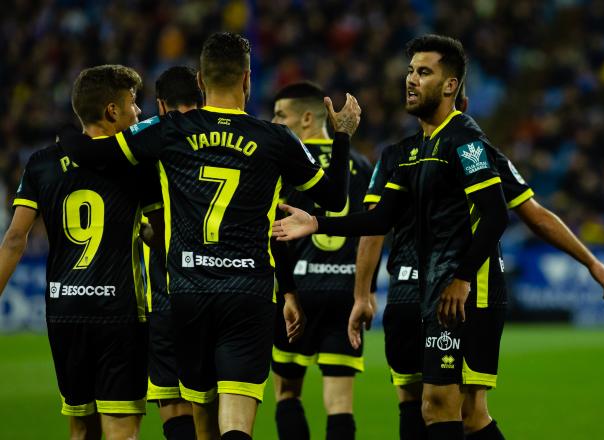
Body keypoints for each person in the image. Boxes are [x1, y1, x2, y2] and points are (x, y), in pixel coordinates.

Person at [58, 32, 361, 440]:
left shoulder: (169, 130)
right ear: (248, 80)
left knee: (202, 421)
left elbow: (92, 153)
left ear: (200, 81)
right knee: (236, 419)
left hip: (188, 293)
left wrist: (64, 133)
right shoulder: (275, 139)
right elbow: (335, 195)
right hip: (248, 293)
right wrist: (341, 134)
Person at [274, 34, 521, 440]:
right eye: (410, 71)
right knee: (441, 408)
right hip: (433, 289)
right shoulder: (414, 150)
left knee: (451, 407)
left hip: (467, 291)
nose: (410, 80)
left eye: (423, 72)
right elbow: (381, 218)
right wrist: (317, 223)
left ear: (450, 85)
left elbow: (495, 217)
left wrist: (461, 278)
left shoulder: (465, 141)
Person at [350, 86, 604, 439]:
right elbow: (534, 216)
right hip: (442, 290)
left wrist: (363, 294)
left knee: (420, 404)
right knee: (463, 412)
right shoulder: (472, 153)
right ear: (464, 104)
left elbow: (373, 232)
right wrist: (591, 262)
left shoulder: (397, 155)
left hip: (410, 289)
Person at [0, 65, 162, 440]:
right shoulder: (138, 165)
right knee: (121, 430)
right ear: (111, 111)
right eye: (133, 104)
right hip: (120, 312)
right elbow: (161, 237)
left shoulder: (41, 163)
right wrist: (149, 233)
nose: (139, 113)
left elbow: (14, 239)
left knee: (80, 430)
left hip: (64, 312)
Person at [270, 81, 373, 440]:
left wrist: (286, 291)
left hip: (297, 288)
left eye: (281, 115)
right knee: (340, 402)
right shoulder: (359, 164)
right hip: (346, 291)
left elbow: (275, 229)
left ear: (308, 118)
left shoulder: (286, 162)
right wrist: (365, 291)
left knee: (286, 393)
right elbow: (371, 230)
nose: (274, 121)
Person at [144, 65, 203, 440]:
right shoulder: (228, 134)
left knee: (173, 401)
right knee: (214, 406)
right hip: (218, 290)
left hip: (167, 292)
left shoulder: (150, 138)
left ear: (161, 104)